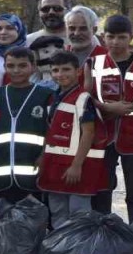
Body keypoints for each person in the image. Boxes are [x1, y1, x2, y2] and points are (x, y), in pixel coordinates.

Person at [86, 14, 133, 221]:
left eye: (121, 37)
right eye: (111, 36)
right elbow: (86, 96)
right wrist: (109, 107)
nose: (116, 42)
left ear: (131, 37)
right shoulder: (93, 63)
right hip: (102, 136)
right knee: (102, 188)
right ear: (103, 37)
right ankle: (103, 233)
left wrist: (131, 106)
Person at [36, 51, 105, 227]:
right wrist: (43, 157)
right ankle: (60, 251)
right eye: (55, 70)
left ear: (78, 71)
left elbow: (88, 133)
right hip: (55, 165)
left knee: (79, 214)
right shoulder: (53, 97)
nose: (60, 74)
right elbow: (50, 131)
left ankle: (80, 252)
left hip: (78, 167)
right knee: (58, 212)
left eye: (66, 69)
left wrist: (76, 165)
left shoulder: (83, 98)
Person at [0, 47, 53, 220]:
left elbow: (52, 129)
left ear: (33, 66)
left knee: (31, 222)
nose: (16, 70)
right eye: (11, 66)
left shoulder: (46, 95)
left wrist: (45, 155)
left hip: (32, 169)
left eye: (22, 65)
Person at [65, 5, 108, 70]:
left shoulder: (106, 58)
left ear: (94, 30)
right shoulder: (62, 54)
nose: (76, 33)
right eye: (72, 28)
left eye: (83, 28)